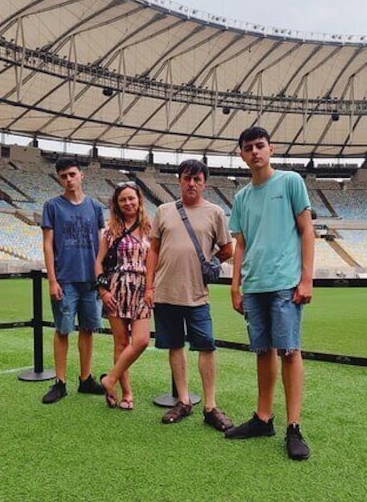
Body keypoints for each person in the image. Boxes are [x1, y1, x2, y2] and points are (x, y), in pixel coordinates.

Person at [225, 126, 315, 461]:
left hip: (284, 282)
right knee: (263, 351)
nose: (255, 152)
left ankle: (293, 426)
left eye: (260, 146)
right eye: (248, 148)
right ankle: (263, 418)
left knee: (289, 351)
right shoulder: (241, 198)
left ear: (271, 149)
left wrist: (306, 279)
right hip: (254, 284)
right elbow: (240, 244)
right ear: (242, 154)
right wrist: (235, 285)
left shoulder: (290, 181)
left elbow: (307, 231)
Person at [144, 159, 234, 431]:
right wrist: (149, 286)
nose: (191, 183)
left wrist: (211, 262)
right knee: (174, 346)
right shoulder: (163, 211)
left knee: (206, 346)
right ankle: (183, 400)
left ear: (204, 182)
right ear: (179, 180)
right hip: (166, 291)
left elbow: (227, 249)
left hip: (197, 293)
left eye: (197, 179)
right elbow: (153, 250)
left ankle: (210, 406)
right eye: (186, 178)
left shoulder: (215, 212)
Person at [40, 156, 106, 404]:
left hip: (90, 280)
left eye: (72, 174)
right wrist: (52, 280)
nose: (68, 179)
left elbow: (101, 245)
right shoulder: (52, 206)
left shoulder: (95, 208)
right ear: (59, 178)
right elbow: (47, 245)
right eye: (64, 176)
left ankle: (86, 378)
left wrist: (101, 279)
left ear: (81, 175)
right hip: (65, 279)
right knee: (63, 330)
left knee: (88, 329)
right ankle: (60, 382)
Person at [96, 181, 153, 410]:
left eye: (131, 198)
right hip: (116, 287)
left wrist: (151, 287)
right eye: (123, 200)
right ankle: (126, 393)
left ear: (139, 200)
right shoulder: (110, 230)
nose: (128, 203)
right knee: (120, 342)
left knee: (141, 340)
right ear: (116, 205)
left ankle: (109, 379)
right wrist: (103, 291)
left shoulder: (151, 228)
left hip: (143, 288)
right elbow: (98, 262)